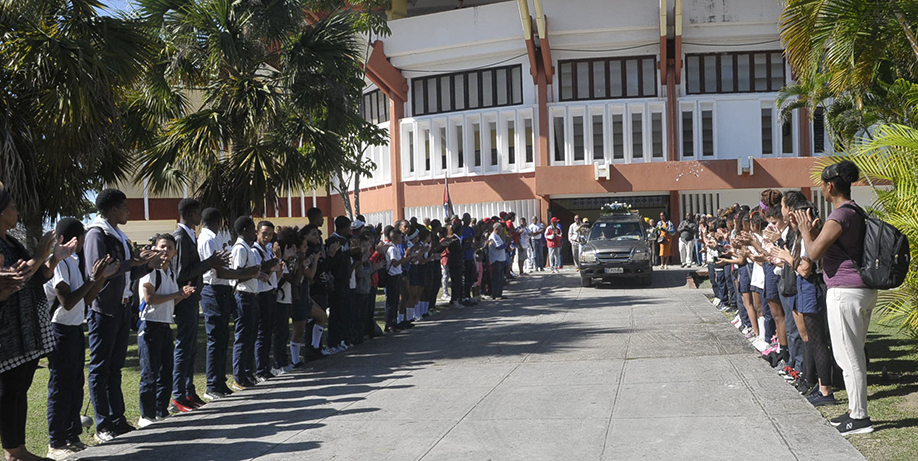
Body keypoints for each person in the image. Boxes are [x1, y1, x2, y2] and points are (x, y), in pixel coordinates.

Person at [795, 160, 877, 436]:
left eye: (822, 184)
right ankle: (855, 410)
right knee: (853, 355)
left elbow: (813, 253)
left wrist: (807, 232)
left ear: (830, 186)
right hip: (860, 290)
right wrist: (815, 234)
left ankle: (861, 418)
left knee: (848, 357)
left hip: (845, 292)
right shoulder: (855, 211)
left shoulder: (839, 216)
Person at [0, 183, 73, 461]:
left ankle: (17, 449)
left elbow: (34, 277)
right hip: (7, 334)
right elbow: (13, 280)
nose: (16, 209)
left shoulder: (11, 241)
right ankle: (14, 452)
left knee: (19, 390)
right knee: (10, 392)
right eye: (11, 205)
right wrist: (40, 255)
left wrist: (53, 259)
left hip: (24, 332)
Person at [84, 188, 161, 442]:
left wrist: (145, 264)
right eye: (125, 207)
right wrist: (133, 262)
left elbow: (127, 273)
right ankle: (103, 424)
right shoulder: (97, 234)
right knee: (100, 368)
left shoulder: (118, 234)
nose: (129, 211)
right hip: (103, 308)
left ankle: (118, 420)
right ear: (113, 210)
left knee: (114, 368)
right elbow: (102, 272)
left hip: (121, 307)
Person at [44, 218, 118, 460]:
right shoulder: (59, 263)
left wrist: (101, 278)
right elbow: (66, 301)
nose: (85, 244)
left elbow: (84, 300)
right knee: (60, 388)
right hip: (60, 331)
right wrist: (91, 279)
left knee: (75, 385)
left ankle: (71, 435)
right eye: (82, 238)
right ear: (72, 239)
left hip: (74, 329)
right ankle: (56, 442)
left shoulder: (74, 261)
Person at [198, 208, 258, 400]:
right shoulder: (207, 239)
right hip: (214, 289)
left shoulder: (213, 238)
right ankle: (212, 384)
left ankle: (220, 381)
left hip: (222, 290)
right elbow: (218, 272)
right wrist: (245, 274)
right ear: (218, 221)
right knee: (215, 338)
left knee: (223, 337)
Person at [137, 234, 196, 428]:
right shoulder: (150, 270)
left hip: (164, 324)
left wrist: (181, 296)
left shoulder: (169, 272)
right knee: (150, 371)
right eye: (162, 246)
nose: (165, 250)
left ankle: (160, 410)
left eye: (169, 248)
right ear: (155, 247)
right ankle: (146, 414)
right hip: (150, 324)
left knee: (165, 370)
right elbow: (149, 298)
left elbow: (170, 300)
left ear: (175, 253)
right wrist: (176, 294)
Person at [172, 198, 224, 412]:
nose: (200, 218)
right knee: (184, 348)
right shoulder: (180, 237)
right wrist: (208, 263)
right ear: (191, 214)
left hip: (193, 298)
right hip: (184, 299)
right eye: (198, 214)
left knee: (192, 348)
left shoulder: (189, 235)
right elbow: (182, 272)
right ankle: (178, 395)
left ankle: (189, 390)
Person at [230, 216, 267, 391]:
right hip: (243, 296)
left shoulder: (248, 248)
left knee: (251, 336)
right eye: (253, 228)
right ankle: (239, 377)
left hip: (252, 295)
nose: (255, 232)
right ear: (245, 230)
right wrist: (252, 273)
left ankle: (247, 372)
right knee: (243, 337)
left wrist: (258, 274)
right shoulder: (240, 248)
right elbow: (237, 273)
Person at [253, 221, 281, 383]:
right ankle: (261, 369)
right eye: (264, 233)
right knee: (262, 333)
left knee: (268, 331)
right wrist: (271, 267)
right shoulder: (255, 251)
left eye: (270, 234)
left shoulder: (269, 251)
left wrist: (277, 268)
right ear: (257, 233)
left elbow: (273, 273)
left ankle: (265, 366)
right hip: (261, 294)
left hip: (271, 292)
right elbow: (261, 273)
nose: (267, 237)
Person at [487, 223, 508, 299]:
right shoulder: (493, 236)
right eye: (501, 229)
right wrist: (506, 244)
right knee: (496, 278)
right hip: (496, 260)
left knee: (500, 278)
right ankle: (495, 294)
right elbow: (499, 246)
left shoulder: (498, 236)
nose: (502, 231)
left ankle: (499, 293)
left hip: (501, 259)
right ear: (496, 229)